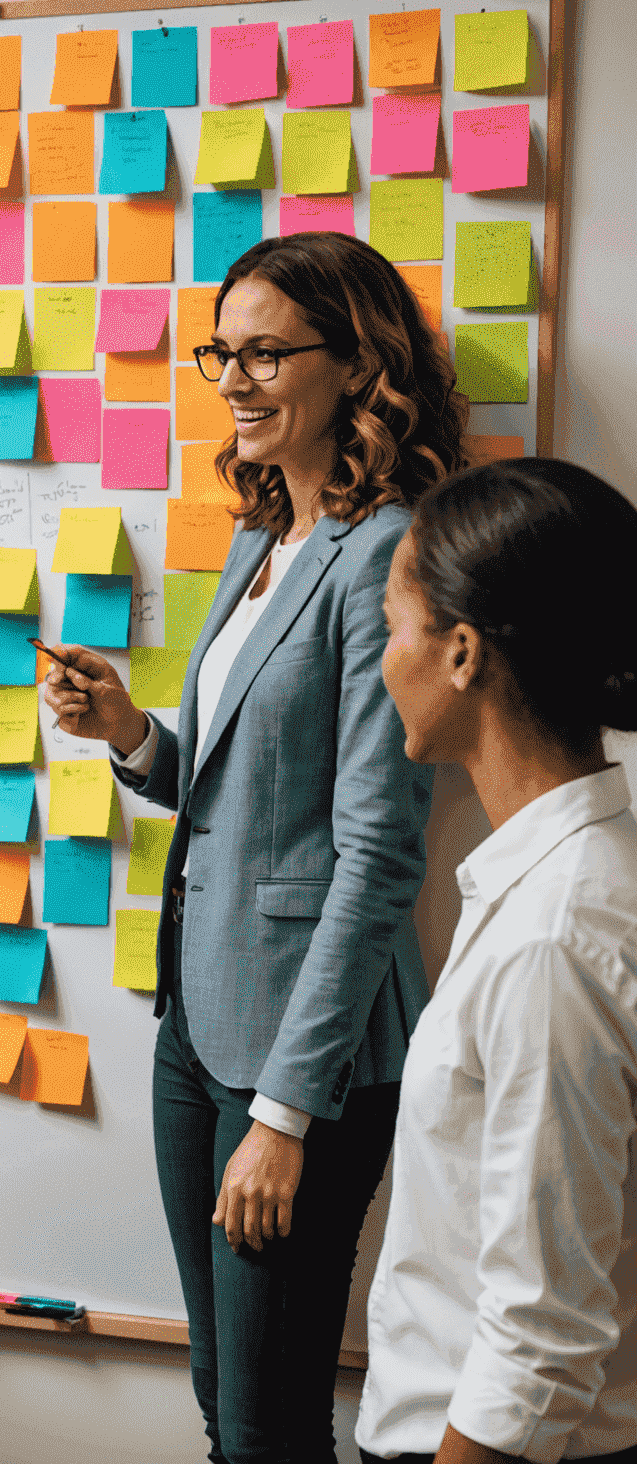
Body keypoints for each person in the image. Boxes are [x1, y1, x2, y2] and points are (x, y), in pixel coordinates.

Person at [42, 231, 469, 1463]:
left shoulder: (383, 546)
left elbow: (377, 854)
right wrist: (130, 731)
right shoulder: (264, 531)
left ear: (356, 364)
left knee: (269, 1424)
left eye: (267, 352)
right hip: (200, 1024)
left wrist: (287, 1113)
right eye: (220, 352)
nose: (233, 378)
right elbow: (242, 788)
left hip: (304, 1055)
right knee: (226, 1398)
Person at [358, 458, 637, 1464]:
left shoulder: (554, 938)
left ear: (463, 653)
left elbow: (541, 1334)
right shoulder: (566, 881)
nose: (383, 662)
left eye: (393, 629)